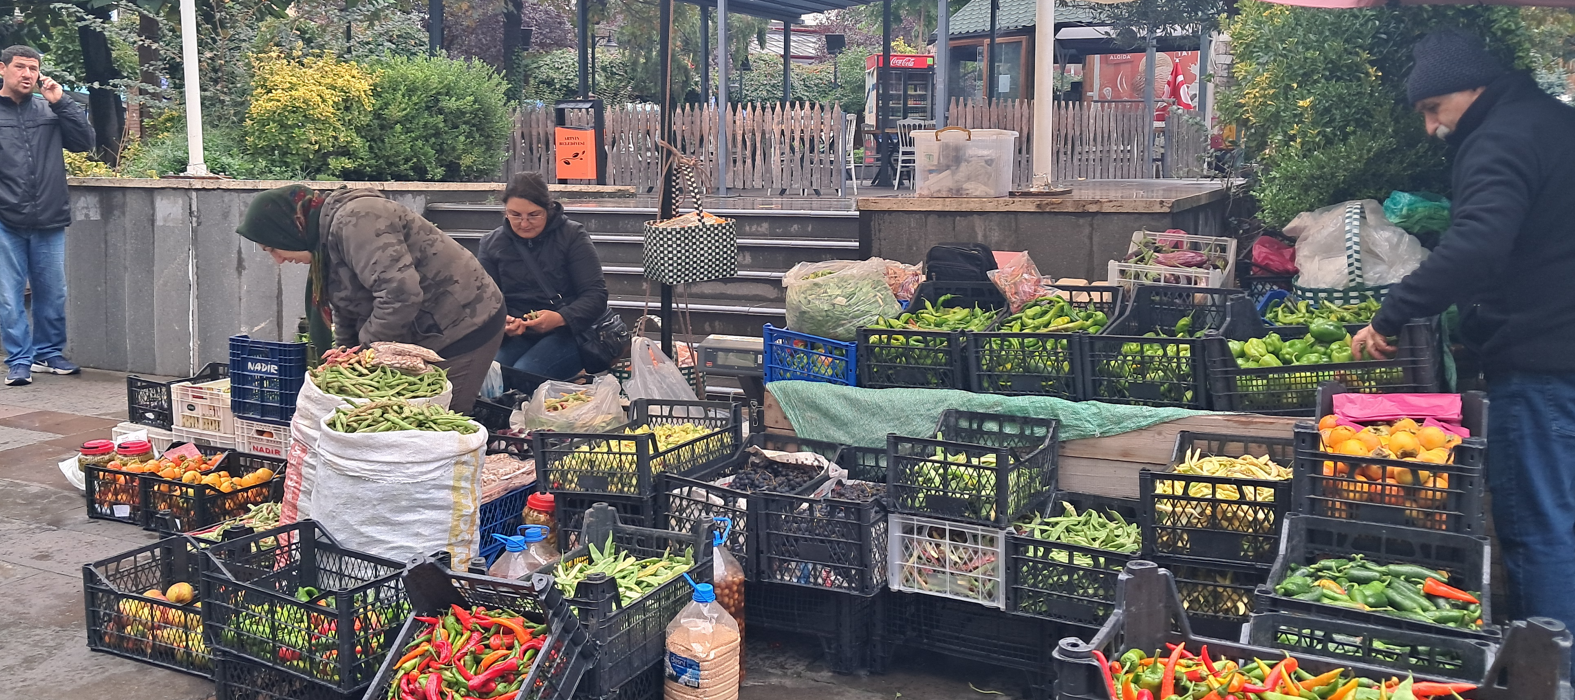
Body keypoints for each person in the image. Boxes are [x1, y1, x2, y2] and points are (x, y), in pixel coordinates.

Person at [1350, 30, 1575, 638]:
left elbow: (1476, 244)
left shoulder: (1501, 138)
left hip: (1544, 361)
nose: (1431, 128)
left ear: (1470, 88)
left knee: (1539, 524)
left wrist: (1389, 315)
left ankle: (1546, 668)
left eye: (1433, 109)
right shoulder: (1554, 123)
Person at [236, 185, 506, 414]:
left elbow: (400, 294)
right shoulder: (324, 240)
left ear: (288, 228)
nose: (279, 260)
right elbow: (345, 306)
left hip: (464, 323)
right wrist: (345, 355)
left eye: (272, 248)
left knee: (435, 423)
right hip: (421, 328)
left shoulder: (358, 220)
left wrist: (364, 353)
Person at [0, 45, 94, 386]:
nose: (28, 74)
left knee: (53, 292)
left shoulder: (49, 107)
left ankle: (48, 353)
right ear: (2, 68)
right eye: (21, 67)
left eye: (34, 68)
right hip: (5, 219)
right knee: (8, 296)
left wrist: (61, 101)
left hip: (50, 216)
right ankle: (19, 360)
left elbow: (84, 142)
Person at [477, 172, 610, 380]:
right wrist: (504, 323)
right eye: (515, 215)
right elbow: (485, 300)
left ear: (548, 209)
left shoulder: (572, 235)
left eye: (533, 215)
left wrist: (560, 318)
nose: (524, 223)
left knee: (524, 374)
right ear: (505, 212)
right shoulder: (492, 243)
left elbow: (596, 296)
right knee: (489, 374)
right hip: (518, 333)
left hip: (568, 332)